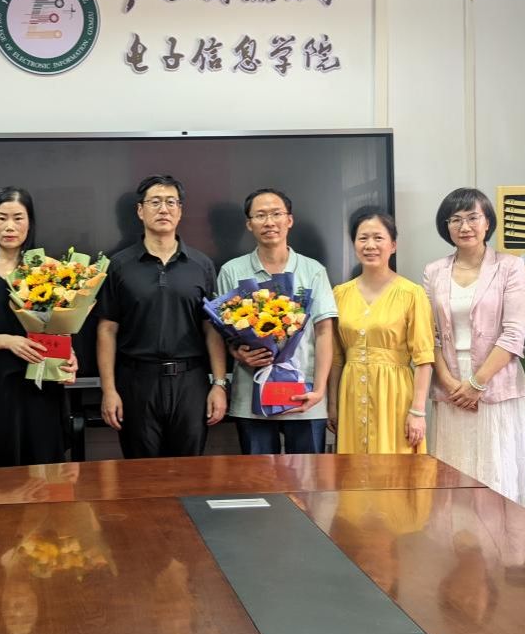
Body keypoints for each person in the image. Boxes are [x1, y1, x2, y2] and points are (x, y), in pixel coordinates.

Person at [98, 174, 229, 458]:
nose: (163, 209)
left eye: (171, 202)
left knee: (189, 470)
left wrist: (219, 384)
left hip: (191, 382)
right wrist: (108, 390)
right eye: (155, 202)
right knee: (141, 473)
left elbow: (211, 327)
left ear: (180, 211)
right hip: (136, 381)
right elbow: (107, 329)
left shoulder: (202, 264)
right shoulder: (118, 265)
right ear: (140, 210)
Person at [422, 188, 525, 511]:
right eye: (455, 220)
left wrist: (476, 383)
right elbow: (429, 335)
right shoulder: (434, 271)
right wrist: (449, 383)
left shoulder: (509, 266)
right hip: (450, 387)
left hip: (495, 384)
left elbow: (513, 334)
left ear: (488, 222)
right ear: (446, 226)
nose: (464, 226)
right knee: (453, 473)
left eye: (473, 217)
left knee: (495, 472)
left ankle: (501, 541)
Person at [0, 187, 77, 469]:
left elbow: (62, 326)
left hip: (40, 386)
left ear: (29, 223)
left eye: (18, 218)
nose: (9, 226)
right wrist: (9, 341)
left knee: (43, 475)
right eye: (2, 218)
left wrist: (69, 355)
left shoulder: (49, 271)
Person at [215, 188, 337, 454]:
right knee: (256, 476)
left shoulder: (313, 271)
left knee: (308, 477)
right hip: (252, 397)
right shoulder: (231, 271)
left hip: (304, 395)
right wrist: (238, 353)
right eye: (260, 215)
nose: (269, 222)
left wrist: (319, 391)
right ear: (249, 224)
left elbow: (324, 333)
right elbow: (223, 334)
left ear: (289, 220)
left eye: (276, 214)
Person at [329, 208, 433, 454]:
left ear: (393, 245)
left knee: (395, 466)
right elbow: (336, 358)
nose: (370, 245)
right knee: (353, 467)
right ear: (354, 244)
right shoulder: (340, 294)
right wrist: (332, 405)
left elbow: (424, 358)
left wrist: (418, 411)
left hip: (395, 394)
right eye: (363, 238)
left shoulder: (411, 293)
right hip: (351, 393)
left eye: (378, 238)